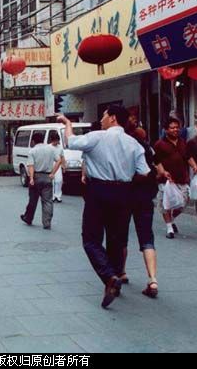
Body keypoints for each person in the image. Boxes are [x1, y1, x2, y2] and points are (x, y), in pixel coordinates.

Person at [57, 106, 150, 308]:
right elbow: (144, 172)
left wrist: (68, 124)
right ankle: (114, 279)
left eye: (104, 116)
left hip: (98, 190)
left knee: (91, 239)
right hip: (124, 193)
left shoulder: (97, 137)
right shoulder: (134, 143)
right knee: (116, 240)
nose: (101, 120)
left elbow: (71, 142)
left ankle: (109, 277)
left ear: (113, 118)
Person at [122, 127, 159, 298]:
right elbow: (153, 172)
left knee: (121, 235)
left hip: (125, 196)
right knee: (147, 237)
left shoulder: (126, 148)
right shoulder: (148, 149)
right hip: (145, 198)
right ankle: (152, 279)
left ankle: (121, 272)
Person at [153, 118, 190, 239]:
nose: (175, 130)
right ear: (166, 129)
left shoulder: (182, 142)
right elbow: (156, 161)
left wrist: (194, 167)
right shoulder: (159, 144)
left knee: (183, 202)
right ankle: (169, 228)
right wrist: (163, 172)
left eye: (177, 127)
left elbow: (187, 157)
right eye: (172, 127)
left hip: (181, 178)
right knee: (166, 203)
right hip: (166, 179)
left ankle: (172, 219)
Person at [20, 132, 63, 229]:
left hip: (36, 177)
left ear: (33, 141)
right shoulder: (51, 149)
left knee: (33, 200)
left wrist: (31, 178)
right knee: (47, 201)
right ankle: (47, 223)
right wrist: (53, 173)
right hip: (47, 177)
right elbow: (59, 160)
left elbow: (31, 166)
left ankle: (28, 218)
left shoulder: (32, 151)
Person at [49, 131, 65, 203]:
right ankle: (52, 196)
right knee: (51, 181)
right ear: (52, 140)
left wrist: (64, 165)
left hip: (58, 165)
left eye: (57, 140)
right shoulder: (48, 147)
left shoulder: (60, 148)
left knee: (59, 180)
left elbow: (62, 157)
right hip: (51, 164)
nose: (56, 142)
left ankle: (58, 196)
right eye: (55, 140)